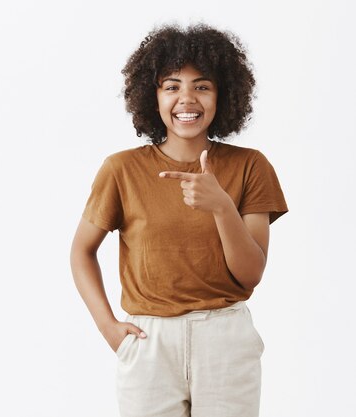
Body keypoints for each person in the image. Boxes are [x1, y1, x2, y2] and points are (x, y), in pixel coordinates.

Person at [69, 22, 288, 417]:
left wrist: (220, 205)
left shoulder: (250, 166)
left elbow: (251, 274)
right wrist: (108, 327)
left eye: (202, 86)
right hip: (149, 339)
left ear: (223, 94)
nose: (187, 98)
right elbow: (81, 251)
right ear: (152, 96)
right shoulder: (121, 169)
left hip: (224, 335)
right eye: (172, 86)